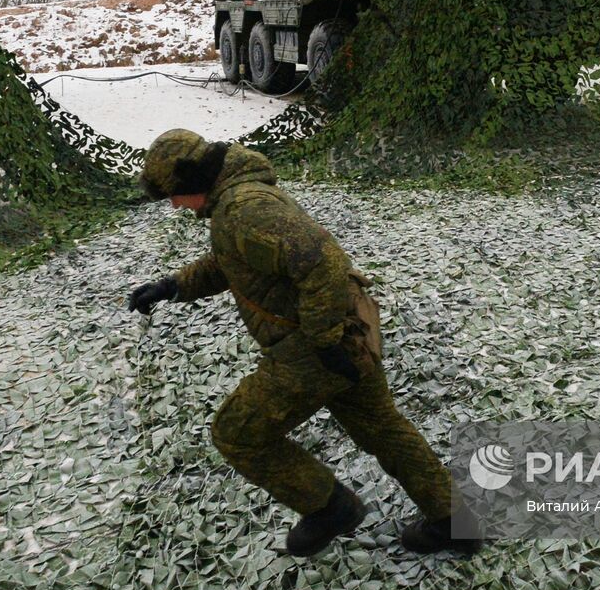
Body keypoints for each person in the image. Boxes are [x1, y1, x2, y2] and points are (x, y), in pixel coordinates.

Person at [128, 129, 481, 556]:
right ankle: (454, 522)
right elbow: (236, 261)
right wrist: (173, 286)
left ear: (191, 182)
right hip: (346, 332)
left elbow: (324, 262)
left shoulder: (244, 209)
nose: (175, 205)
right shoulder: (237, 198)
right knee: (384, 430)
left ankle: (330, 508)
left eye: (175, 195)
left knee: (237, 434)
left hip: (313, 347)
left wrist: (324, 342)